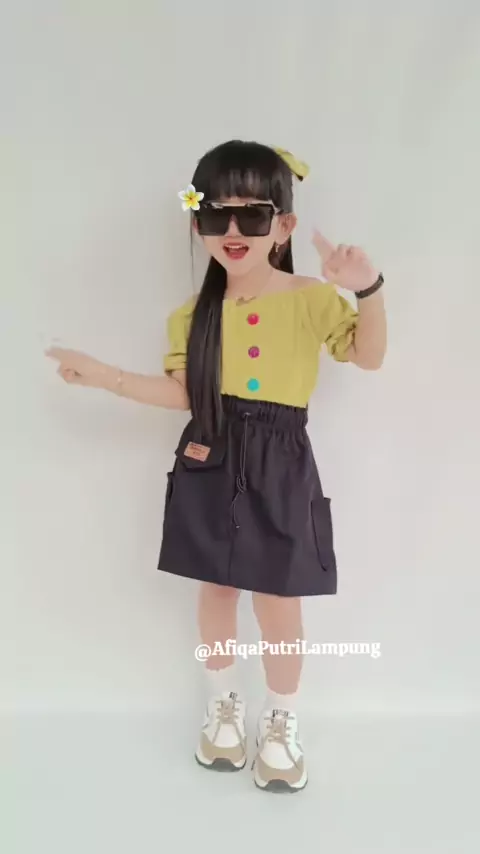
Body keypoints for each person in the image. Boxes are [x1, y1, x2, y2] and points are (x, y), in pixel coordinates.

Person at [47, 139, 387, 793]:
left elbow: (368, 357)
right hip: (210, 450)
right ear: (196, 223)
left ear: (283, 227)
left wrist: (367, 289)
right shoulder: (192, 316)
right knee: (217, 586)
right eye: (214, 215)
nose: (233, 231)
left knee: (279, 595)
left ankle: (282, 719)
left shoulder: (313, 298)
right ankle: (224, 705)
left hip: (281, 457)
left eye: (252, 216)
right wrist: (106, 377)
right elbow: (184, 395)